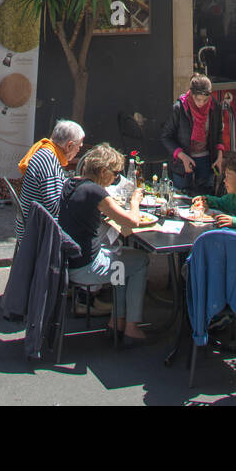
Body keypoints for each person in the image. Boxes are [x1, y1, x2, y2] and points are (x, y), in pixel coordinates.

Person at [58, 143, 151, 343]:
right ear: (102, 171)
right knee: (140, 260)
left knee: (120, 257)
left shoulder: (72, 183)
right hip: (86, 266)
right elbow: (132, 221)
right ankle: (131, 327)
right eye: (115, 173)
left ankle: (116, 320)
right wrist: (135, 201)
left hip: (70, 261)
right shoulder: (95, 192)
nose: (116, 178)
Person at [16, 120, 85, 243]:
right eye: (78, 147)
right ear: (69, 146)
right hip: (35, 232)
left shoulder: (46, 152)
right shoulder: (48, 159)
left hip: (31, 224)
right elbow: (54, 207)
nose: (78, 151)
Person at [161, 74, 228, 193]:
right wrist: (182, 156)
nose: (201, 103)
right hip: (183, 163)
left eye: (205, 100)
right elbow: (166, 136)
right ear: (191, 94)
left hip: (207, 161)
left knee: (206, 200)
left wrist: (220, 154)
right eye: (198, 99)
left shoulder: (215, 107)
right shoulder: (179, 108)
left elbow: (218, 132)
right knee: (182, 199)